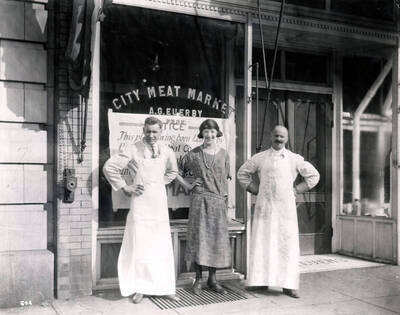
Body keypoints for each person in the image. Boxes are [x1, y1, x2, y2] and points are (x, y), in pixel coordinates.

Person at [237, 125, 320, 298]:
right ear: (270, 136)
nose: (279, 139)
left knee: (286, 245)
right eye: (276, 135)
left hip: (285, 210)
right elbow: (242, 174)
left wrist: (297, 190)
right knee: (263, 243)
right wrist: (255, 190)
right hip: (264, 209)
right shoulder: (259, 158)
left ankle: (289, 285)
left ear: (287, 139)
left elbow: (314, 176)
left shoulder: (294, 159)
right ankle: (259, 281)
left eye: (282, 136)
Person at [103, 116, 179, 304]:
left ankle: (164, 287)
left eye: (155, 131)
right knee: (141, 242)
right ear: (143, 130)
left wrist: (159, 183)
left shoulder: (167, 151)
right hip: (140, 203)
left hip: (159, 203)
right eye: (148, 131)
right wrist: (124, 186)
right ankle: (140, 288)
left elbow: (173, 172)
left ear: (161, 132)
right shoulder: (133, 149)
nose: (151, 135)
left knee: (160, 243)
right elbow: (109, 167)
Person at [175, 119, 231, 295]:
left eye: (213, 131)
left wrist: (225, 201)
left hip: (217, 202)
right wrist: (189, 185)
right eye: (206, 131)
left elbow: (226, 180)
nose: (209, 134)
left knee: (215, 240)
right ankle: (198, 279)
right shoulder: (193, 155)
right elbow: (174, 171)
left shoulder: (224, 154)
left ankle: (213, 279)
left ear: (217, 134)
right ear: (201, 133)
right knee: (199, 239)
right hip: (199, 201)